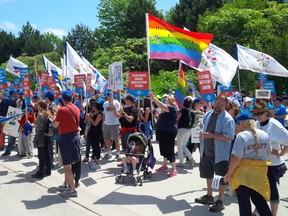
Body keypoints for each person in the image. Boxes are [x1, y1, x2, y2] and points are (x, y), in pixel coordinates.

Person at [223, 112, 272, 216]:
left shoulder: (241, 136)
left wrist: (228, 175)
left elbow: (237, 158)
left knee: (244, 203)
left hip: (243, 175)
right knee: (259, 201)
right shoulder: (264, 134)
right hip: (259, 174)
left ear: (242, 123)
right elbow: (268, 153)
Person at [195, 95, 235, 212]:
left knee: (221, 177)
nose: (219, 106)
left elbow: (229, 137)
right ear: (215, 102)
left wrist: (211, 135)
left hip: (220, 154)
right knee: (208, 174)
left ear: (225, 105)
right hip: (206, 151)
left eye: (222, 105)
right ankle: (209, 195)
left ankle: (220, 201)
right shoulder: (207, 114)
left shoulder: (228, 119)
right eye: (218, 104)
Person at [251, 102, 288, 216]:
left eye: (259, 114)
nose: (257, 116)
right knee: (259, 189)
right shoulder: (256, 124)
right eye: (255, 114)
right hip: (259, 163)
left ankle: (273, 214)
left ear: (266, 113)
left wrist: (281, 153)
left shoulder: (274, 124)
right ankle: (258, 210)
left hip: (272, 164)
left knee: (272, 190)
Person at [53, 90, 81, 198]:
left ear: (63, 99)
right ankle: (66, 184)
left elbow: (55, 125)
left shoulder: (62, 109)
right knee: (70, 164)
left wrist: (55, 115)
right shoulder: (76, 108)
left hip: (66, 138)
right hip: (75, 137)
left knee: (66, 166)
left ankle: (72, 190)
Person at [149, 92, 178, 177]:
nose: (165, 101)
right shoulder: (166, 110)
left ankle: (174, 169)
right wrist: (156, 116)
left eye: (166, 100)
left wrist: (154, 99)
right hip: (162, 131)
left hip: (169, 131)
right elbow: (161, 117)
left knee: (169, 149)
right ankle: (165, 165)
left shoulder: (172, 108)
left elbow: (162, 106)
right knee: (164, 149)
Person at [32, 100, 53, 179]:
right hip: (48, 136)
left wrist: (34, 126)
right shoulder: (49, 114)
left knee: (41, 155)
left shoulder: (40, 115)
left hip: (42, 136)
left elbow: (40, 127)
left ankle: (41, 172)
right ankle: (48, 170)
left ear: (40, 106)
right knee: (48, 154)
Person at [102, 92, 121, 161]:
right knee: (106, 139)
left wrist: (113, 107)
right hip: (106, 123)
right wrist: (103, 122)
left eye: (110, 96)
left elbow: (118, 114)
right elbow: (104, 113)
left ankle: (118, 154)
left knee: (116, 139)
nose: (109, 97)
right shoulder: (105, 103)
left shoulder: (117, 103)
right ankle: (109, 153)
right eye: (108, 96)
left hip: (114, 123)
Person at [176, 97, 194, 168]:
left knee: (179, 147)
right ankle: (191, 158)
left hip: (182, 130)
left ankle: (181, 162)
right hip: (189, 130)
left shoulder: (182, 110)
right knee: (183, 146)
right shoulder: (191, 111)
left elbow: (177, 118)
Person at [86, 102, 103, 170]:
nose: (92, 107)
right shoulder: (93, 113)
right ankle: (94, 158)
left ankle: (97, 161)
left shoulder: (100, 114)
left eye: (93, 106)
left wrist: (90, 118)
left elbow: (95, 123)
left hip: (97, 131)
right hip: (92, 131)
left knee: (96, 146)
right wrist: (88, 117)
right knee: (93, 145)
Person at [1, 89, 17, 156]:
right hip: (10, 118)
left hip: (2, 117)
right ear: (13, 93)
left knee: (2, 133)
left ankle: (2, 145)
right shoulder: (13, 101)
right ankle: (11, 146)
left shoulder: (3, 100)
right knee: (11, 133)